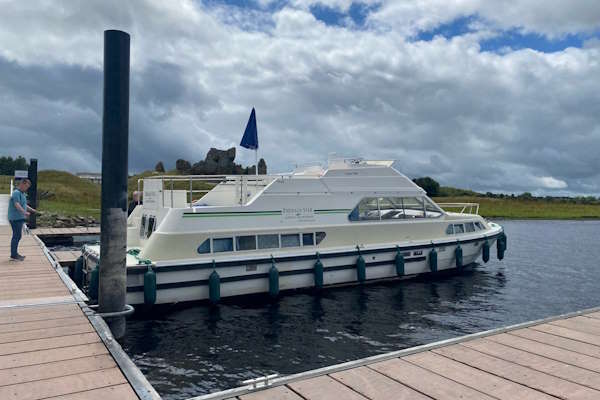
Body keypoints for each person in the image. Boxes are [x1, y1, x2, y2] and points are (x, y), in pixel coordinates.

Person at [8, 178, 38, 261]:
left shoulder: (22, 194)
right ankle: (13, 255)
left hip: (19, 218)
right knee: (16, 236)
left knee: (17, 236)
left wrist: (32, 210)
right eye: (26, 186)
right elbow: (17, 205)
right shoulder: (16, 193)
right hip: (15, 218)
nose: (27, 188)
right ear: (22, 184)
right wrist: (24, 212)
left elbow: (24, 205)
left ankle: (14, 254)